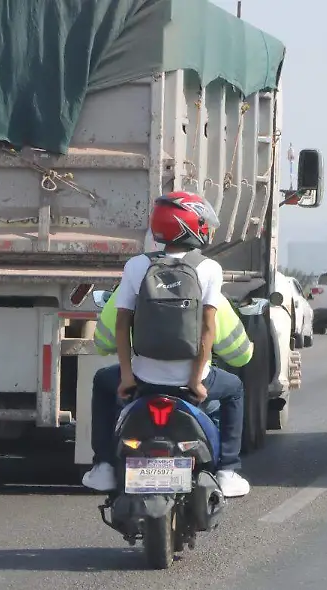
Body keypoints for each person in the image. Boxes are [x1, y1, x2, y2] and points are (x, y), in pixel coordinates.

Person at [83, 191, 254, 498]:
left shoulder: (137, 266)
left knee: (100, 381)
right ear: (193, 227)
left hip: (144, 381)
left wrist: (126, 376)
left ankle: (105, 466)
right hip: (190, 383)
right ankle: (228, 469)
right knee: (234, 389)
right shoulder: (208, 269)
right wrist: (196, 381)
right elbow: (207, 329)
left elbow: (122, 325)